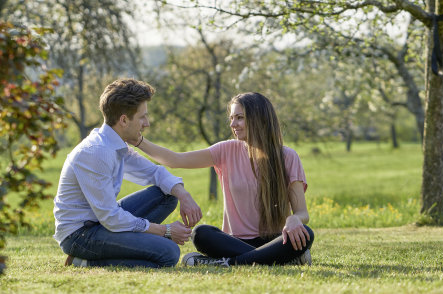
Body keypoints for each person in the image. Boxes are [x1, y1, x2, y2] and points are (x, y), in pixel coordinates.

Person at [134, 92, 314, 267]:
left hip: (274, 240)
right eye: (231, 118)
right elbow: (175, 160)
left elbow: (302, 213)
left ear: (259, 118)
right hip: (233, 242)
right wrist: (137, 140)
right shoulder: (226, 150)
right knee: (201, 234)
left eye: (240, 117)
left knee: (306, 233)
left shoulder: (288, 156)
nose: (233, 124)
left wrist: (294, 220)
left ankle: (227, 262)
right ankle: (276, 259)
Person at [53, 78, 202, 268]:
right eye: (142, 117)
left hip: (102, 223)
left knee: (167, 195)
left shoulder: (115, 144)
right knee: (169, 253)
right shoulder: (96, 151)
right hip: (80, 235)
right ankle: (85, 261)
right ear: (124, 120)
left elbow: (155, 172)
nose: (146, 123)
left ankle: (129, 245)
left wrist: (184, 195)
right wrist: (164, 230)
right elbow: (111, 217)